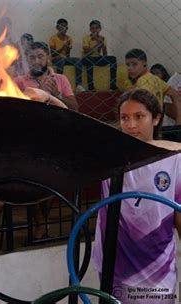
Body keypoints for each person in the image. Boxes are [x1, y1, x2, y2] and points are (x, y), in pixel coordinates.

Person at [93, 88, 181, 303]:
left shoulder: (175, 160)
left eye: (139, 117)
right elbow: (75, 129)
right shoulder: (108, 156)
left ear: (156, 118)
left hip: (157, 266)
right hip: (114, 264)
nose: (131, 125)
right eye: (125, 118)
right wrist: (50, 99)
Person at [15, 41, 79, 110]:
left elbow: (74, 107)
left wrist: (57, 94)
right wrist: (39, 93)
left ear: (48, 58)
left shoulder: (61, 79)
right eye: (32, 57)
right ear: (27, 60)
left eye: (40, 57)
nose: (36, 61)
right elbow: (15, 108)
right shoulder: (18, 81)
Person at [124, 48, 181, 125]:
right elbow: (174, 94)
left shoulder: (143, 81)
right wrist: (179, 117)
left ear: (144, 64)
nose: (130, 68)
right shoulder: (154, 78)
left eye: (134, 64)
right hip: (156, 122)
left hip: (145, 123)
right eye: (127, 65)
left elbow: (143, 105)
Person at [49, 18, 85, 92]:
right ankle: (59, 84)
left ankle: (79, 85)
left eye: (66, 26)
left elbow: (68, 55)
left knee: (78, 60)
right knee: (61, 60)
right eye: (62, 26)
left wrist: (67, 47)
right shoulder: (53, 38)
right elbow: (52, 53)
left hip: (65, 58)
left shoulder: (69, 38)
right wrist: (63, 47)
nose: (64, 28)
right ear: (57, 27)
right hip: (56, 58)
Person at [81, 20, 118, 91]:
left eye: (96, 28)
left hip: (97, 58)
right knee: (90, 60)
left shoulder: (102, 38)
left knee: (113, 59)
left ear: (100, 29)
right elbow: (87, 53)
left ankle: (113, 85)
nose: (94, 30)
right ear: (90, 29)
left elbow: (105, 54)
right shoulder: (86, 38)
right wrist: (98, 44)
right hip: (86, 58)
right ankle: (91, 86)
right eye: (92, 28)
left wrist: (101, 43)